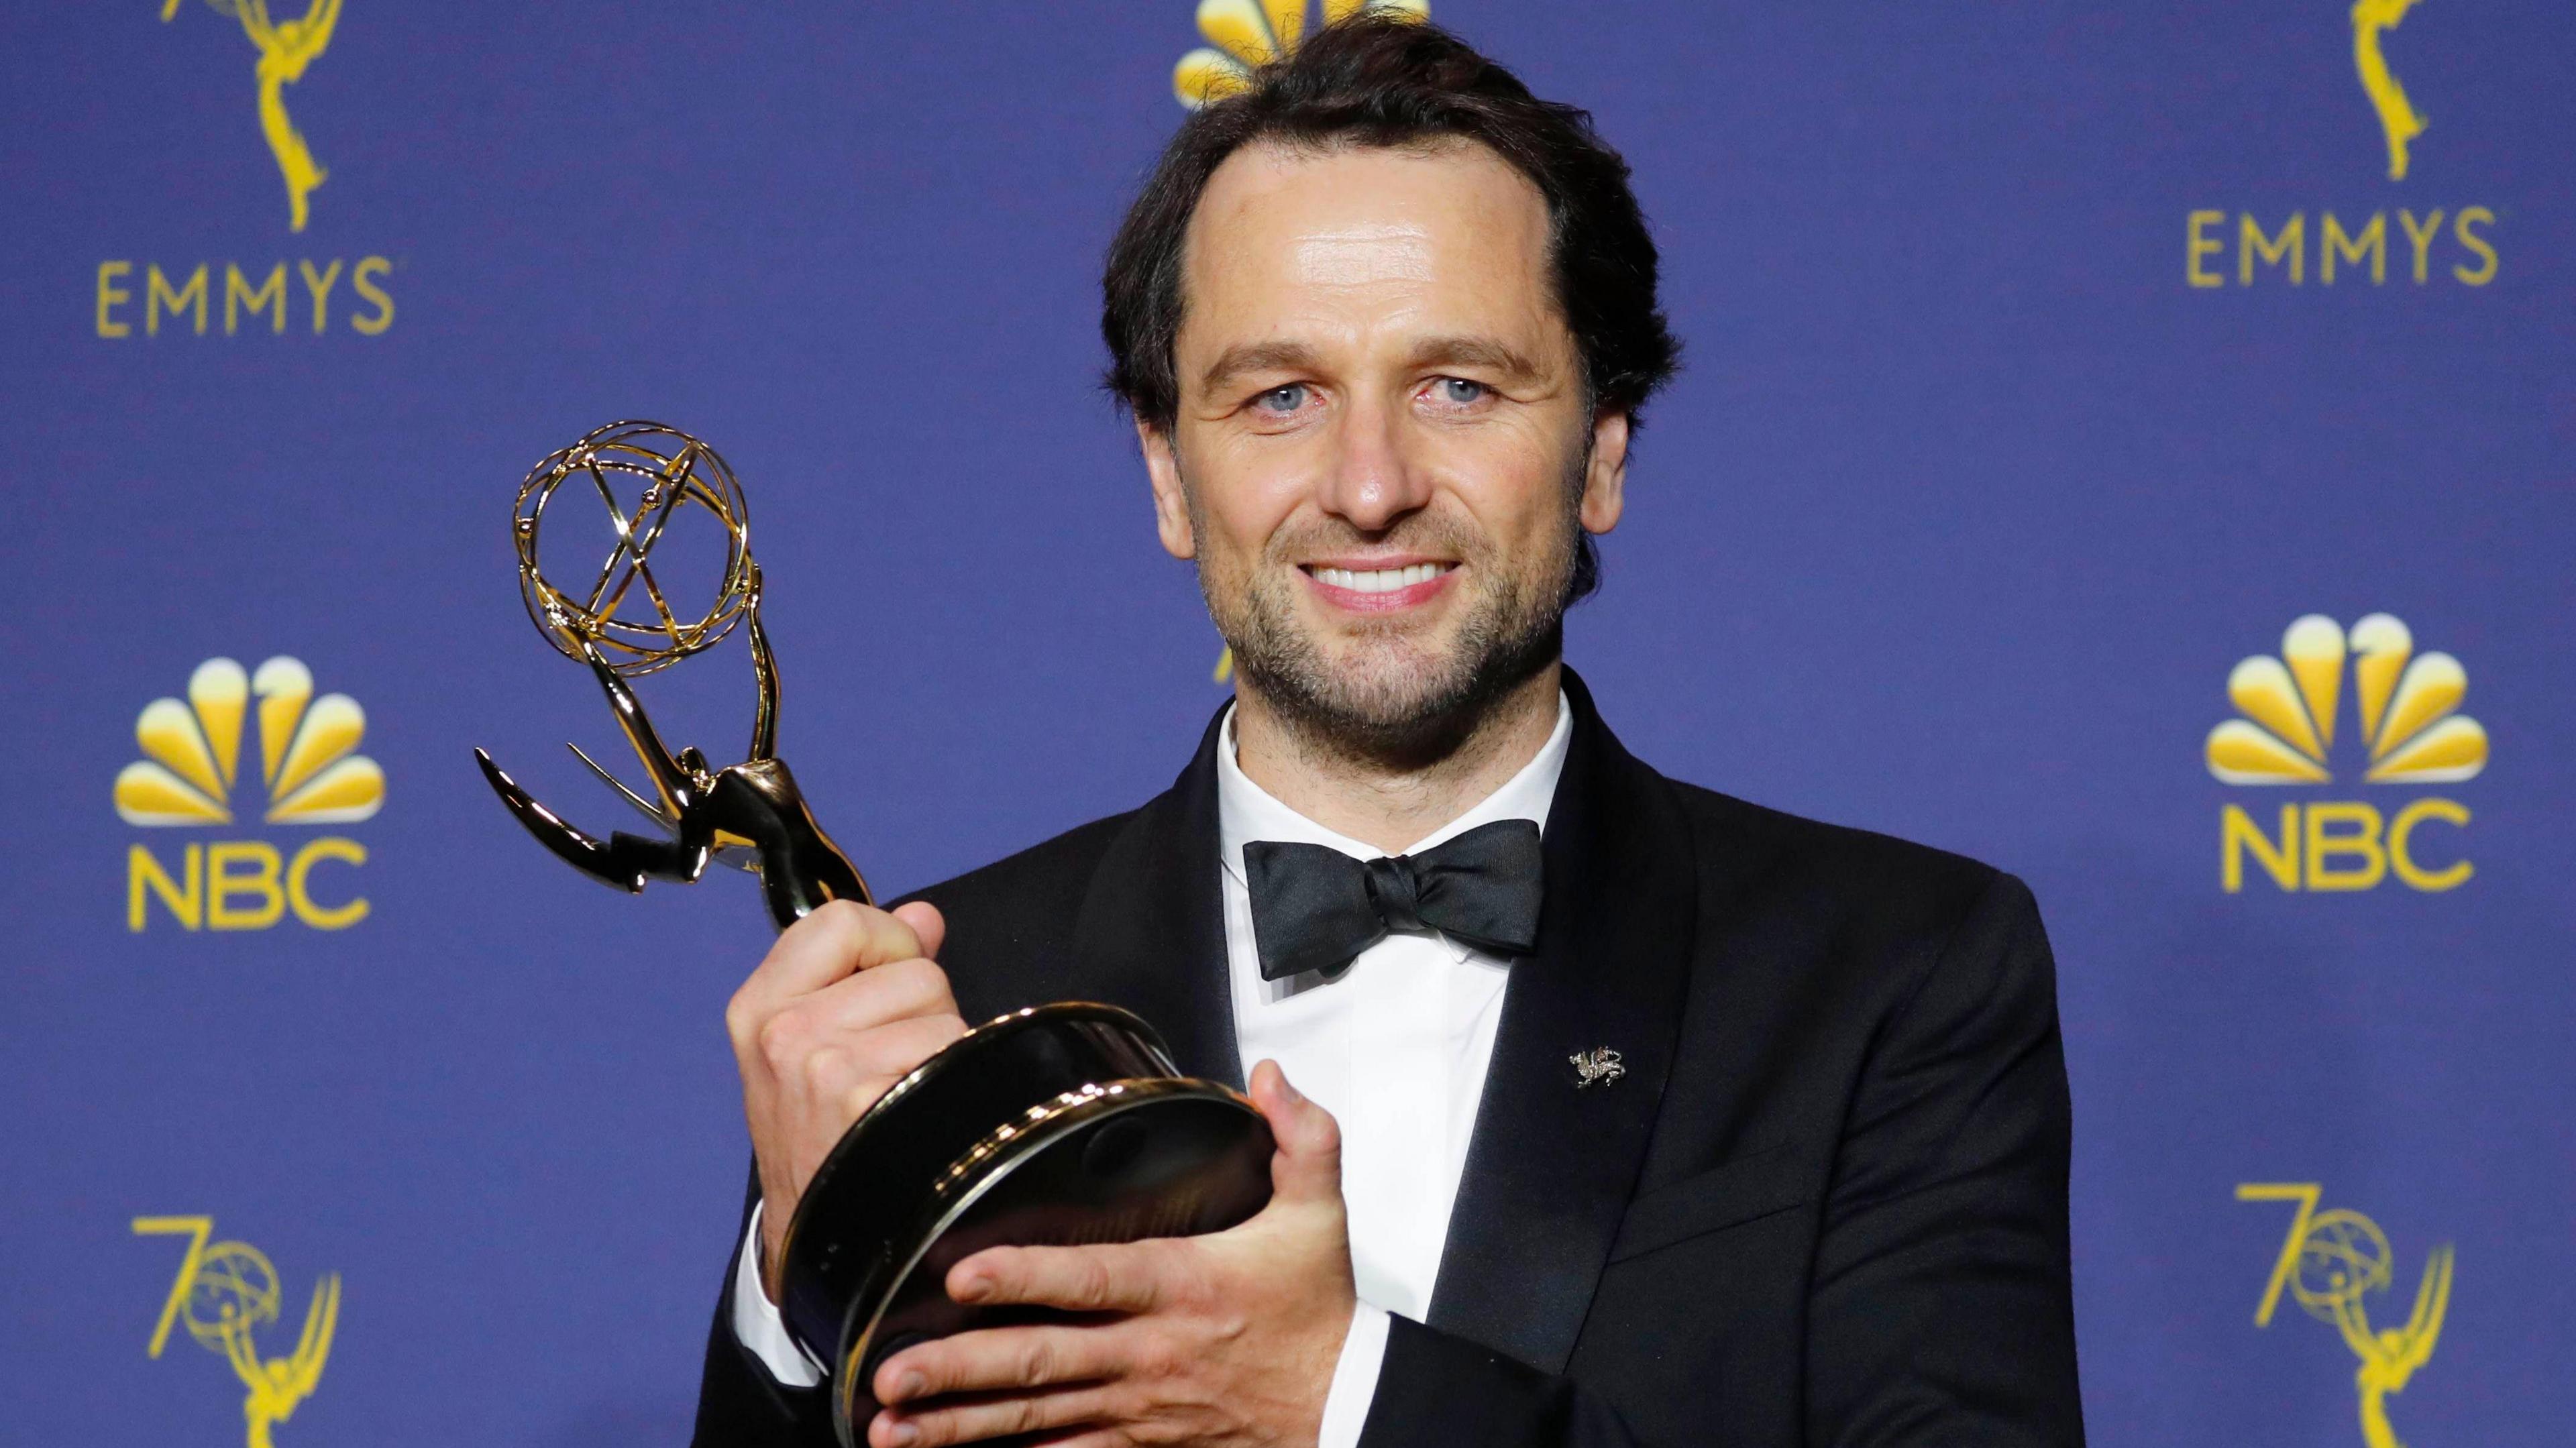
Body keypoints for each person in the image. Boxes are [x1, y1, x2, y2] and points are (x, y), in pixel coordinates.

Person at [694, 17, 2084, 1447]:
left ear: (1603, 447)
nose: (1369, 486)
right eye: (1281, 396)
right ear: (1171, 474)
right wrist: (800, 1302)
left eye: (1458, 388)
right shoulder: (951, 998)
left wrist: (1338, 1402)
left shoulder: (1894, 975)